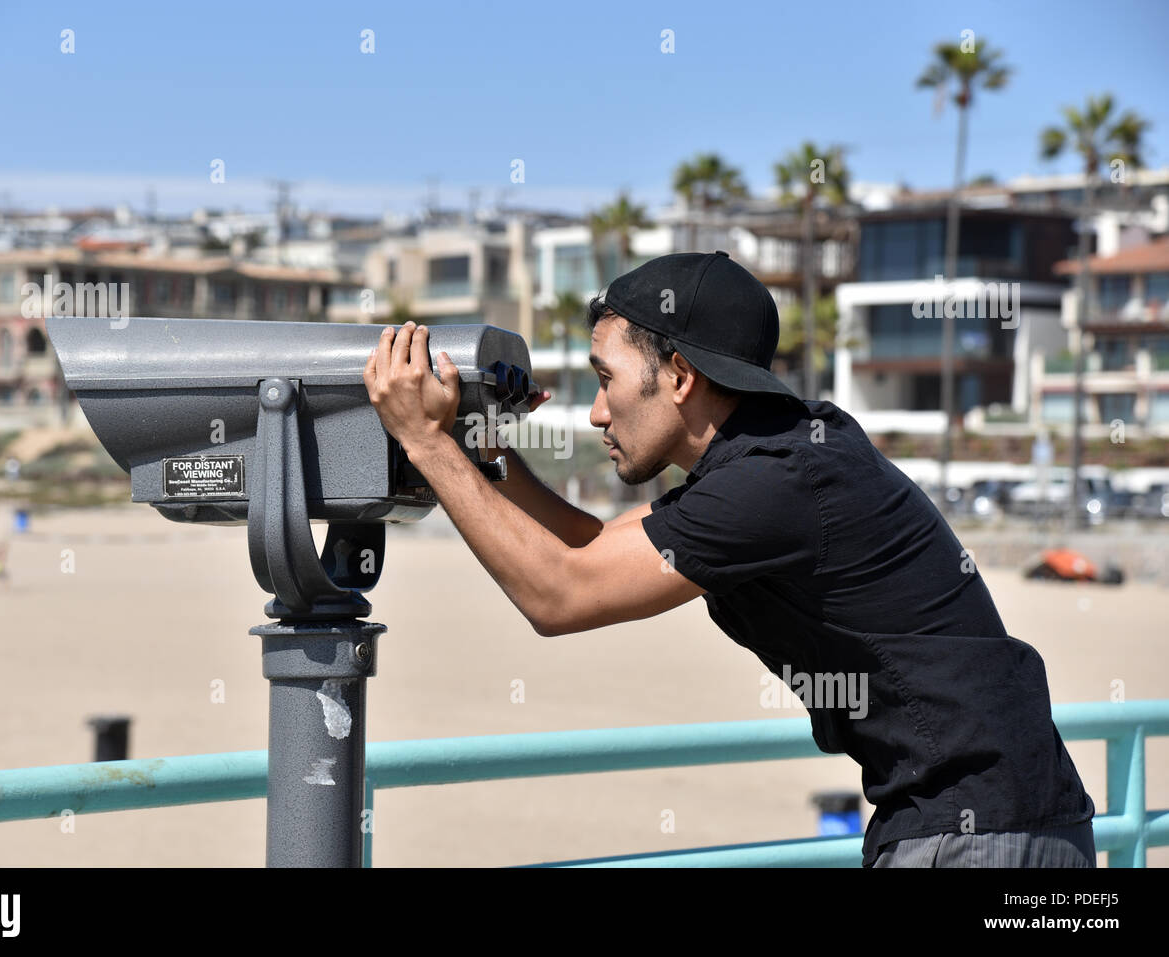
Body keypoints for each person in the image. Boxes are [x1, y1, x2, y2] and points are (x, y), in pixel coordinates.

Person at [362, 250, 1096, 868]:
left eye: (605, 378)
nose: (592, 412)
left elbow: (559, 594)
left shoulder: (773, 483)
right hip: (998, 818)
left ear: (679, 376)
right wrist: (486, 449)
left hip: (976, 832)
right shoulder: (775, 459)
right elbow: (586, 547)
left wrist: (427, 443)